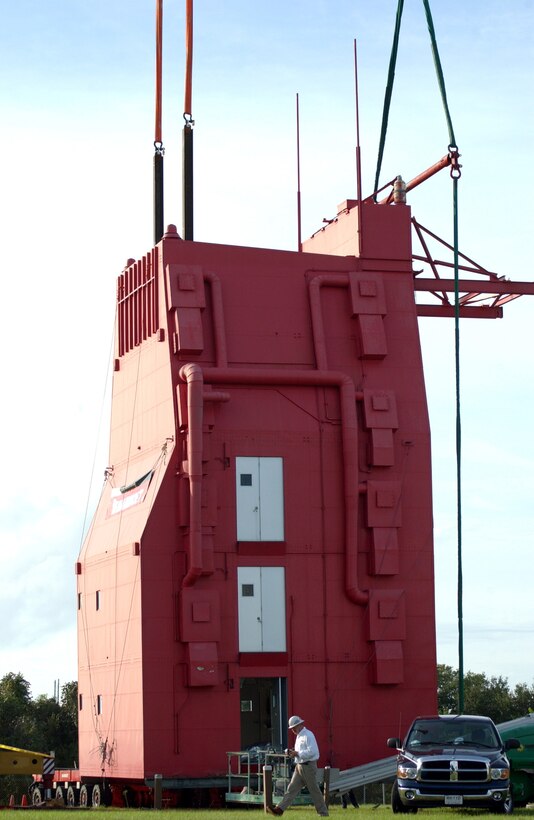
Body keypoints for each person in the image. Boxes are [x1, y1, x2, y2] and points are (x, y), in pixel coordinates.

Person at [266, 715, 329, 817]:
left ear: (300, 725)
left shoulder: (309, 735)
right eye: (292, 728)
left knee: (314, 791)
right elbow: (301, 752)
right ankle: (280, 809)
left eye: (294, 727)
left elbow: (313, 752)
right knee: (291, 789)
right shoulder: (300, 736)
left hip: (308, 766)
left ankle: (323, 813)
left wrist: (297, 753)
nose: (293, 730)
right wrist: (292, 753)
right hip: (300, 766)